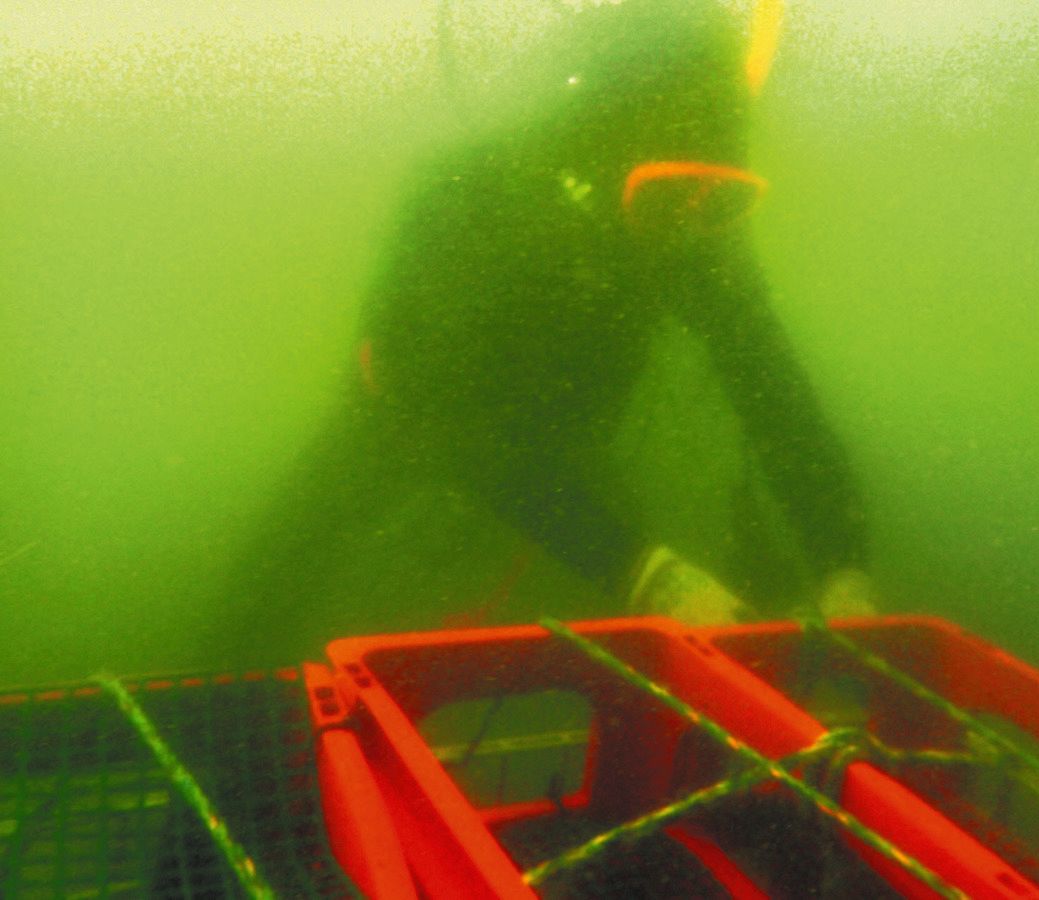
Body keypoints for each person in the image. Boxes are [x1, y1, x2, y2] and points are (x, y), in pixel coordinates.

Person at [223, 0, 874, 660]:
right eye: (664, 195)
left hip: (560, 454)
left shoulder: (691, 233)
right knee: (272, 583)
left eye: (720, 197)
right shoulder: (477, 203)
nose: (687, 223)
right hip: (400, 427)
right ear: (596, 171)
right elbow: (446, 417)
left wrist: (842, 561)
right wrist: (640, 569)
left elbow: (775, 392)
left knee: (655, 629)